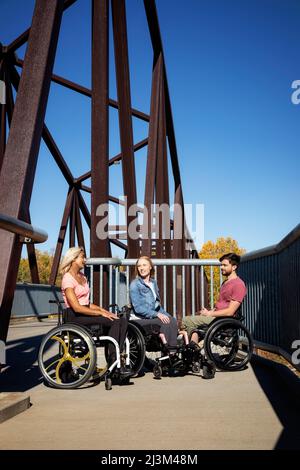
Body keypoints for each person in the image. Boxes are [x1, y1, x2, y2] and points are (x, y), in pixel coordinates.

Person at [60, 246, 133, 378]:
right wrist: (100, 314)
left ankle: (116, 359)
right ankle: (114, 363)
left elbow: (87, 303)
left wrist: (104, 311)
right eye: (82, 257)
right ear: (73, 259)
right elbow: (76, 307)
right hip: (74, 316)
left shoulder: (82, 276)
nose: (85, 260)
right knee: (113, 322)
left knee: (120, 320)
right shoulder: (68, 278)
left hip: (84, 312)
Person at [182, 253, 247, 346]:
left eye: (225, 265)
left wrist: (210, 314)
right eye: (221, 265)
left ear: (234, 267)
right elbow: (222, 305)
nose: (221, 267)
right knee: (193, 321)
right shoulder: (225, 283)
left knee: (187, 321)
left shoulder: (238, 285)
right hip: (217, 317)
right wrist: (208, 312)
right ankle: (192, 348)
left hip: (224, 320)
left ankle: (191, 348)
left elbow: (230, 311)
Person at [129, 256, 180, 350]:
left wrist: (168, 316)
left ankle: (171, 352)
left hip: (151, 316)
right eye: (139, 266)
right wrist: (157, 314)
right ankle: (168, 353)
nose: (141, 268)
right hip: (139, 319)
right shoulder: (135, 284)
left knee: (172, 321)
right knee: (165, 323)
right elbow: (138, 308)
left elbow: (157, 306)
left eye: (144, 265)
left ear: (150, 267)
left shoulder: (153, 283)